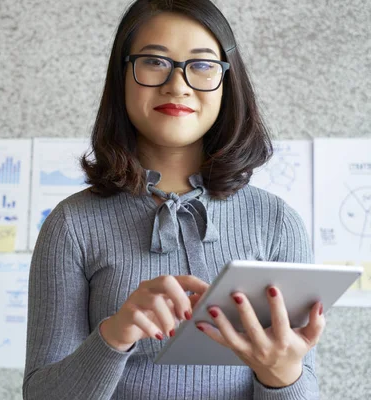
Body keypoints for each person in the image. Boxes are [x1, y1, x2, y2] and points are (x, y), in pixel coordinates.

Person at [23, 0, 323, 398]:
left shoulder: (276, 222)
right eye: (154, 61)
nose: (177, 85)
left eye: (201, 65)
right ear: (122, 75)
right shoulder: (72, 224)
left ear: (227, 82)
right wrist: (114, 336)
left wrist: (282, 374)